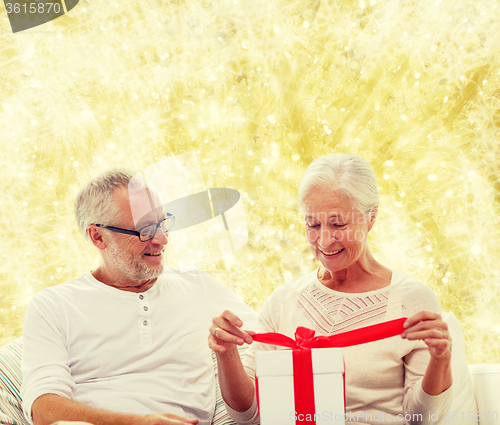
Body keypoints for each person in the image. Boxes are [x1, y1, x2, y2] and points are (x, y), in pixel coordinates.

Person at [209, 154, 453, 424]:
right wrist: (226, 354)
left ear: (370, 218)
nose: (324, 240)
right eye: (312, 224)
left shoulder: (412, 300)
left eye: (338, 224)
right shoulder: (283, 300)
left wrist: (440, 360)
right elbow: (250, 417)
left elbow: (423, 419)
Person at [21, 170, 256, 425]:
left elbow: (276, 344)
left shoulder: (198, 285)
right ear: (98, 236)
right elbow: (43, 409)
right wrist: (136, 423)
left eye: (162, 223)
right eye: (145, 229)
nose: (162, 239)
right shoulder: (53, 306)